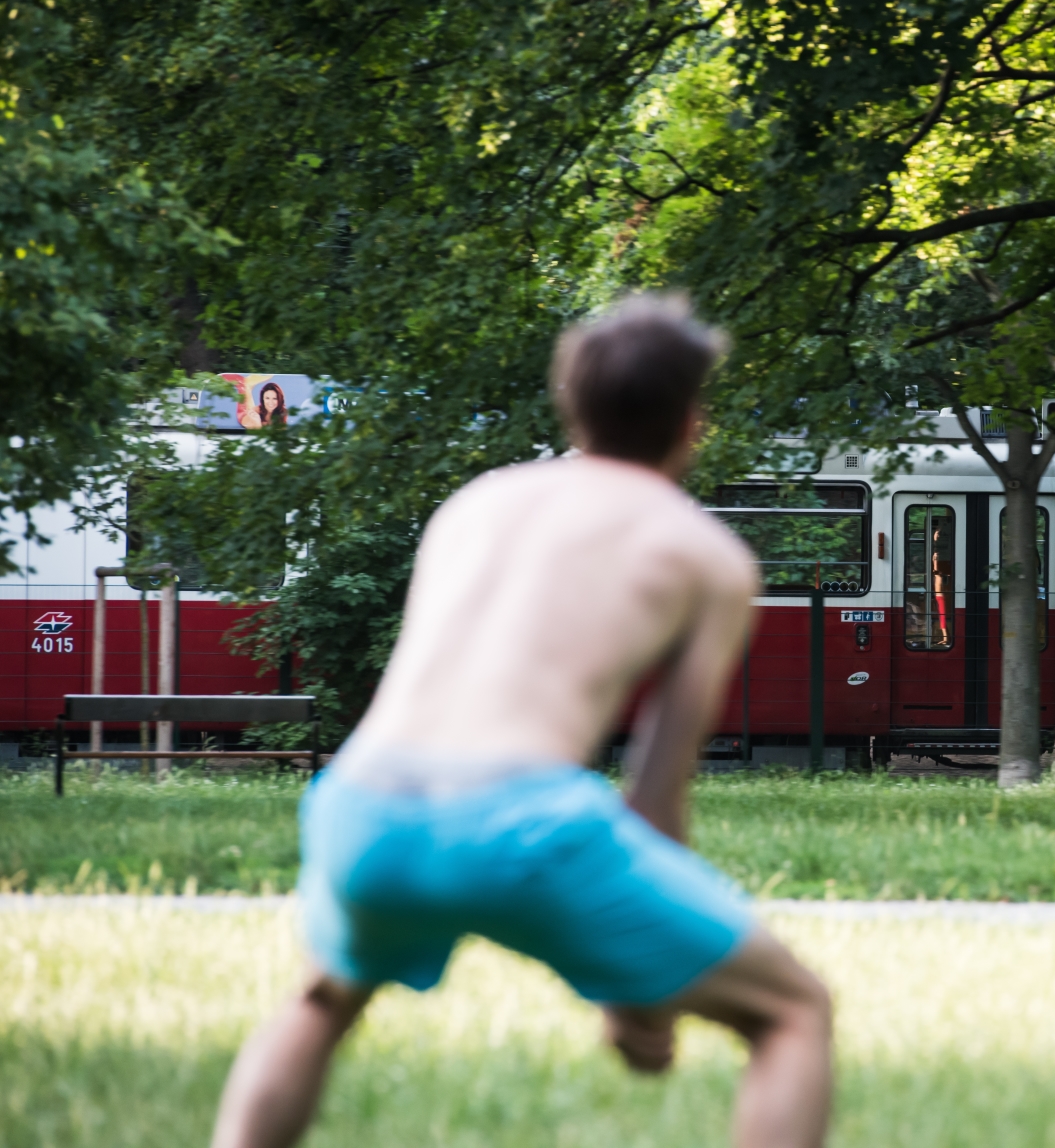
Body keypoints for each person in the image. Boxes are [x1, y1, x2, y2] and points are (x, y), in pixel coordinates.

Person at [211, 294, 833, 1148]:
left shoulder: (478, 504)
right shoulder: (707, 558)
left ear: (568, 403)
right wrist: (637, 997)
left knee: (321, 999)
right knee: (794, 1012)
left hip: (361, 806)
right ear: (694, 423)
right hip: (515, 820)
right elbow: (656, 788)